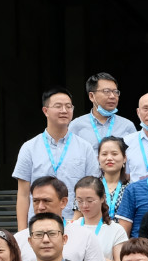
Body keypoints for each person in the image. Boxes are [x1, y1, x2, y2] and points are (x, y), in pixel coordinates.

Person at [13, 87, 93, 233]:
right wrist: (22, 232)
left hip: (75, 225)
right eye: (58, 106)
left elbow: (91, 189)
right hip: (38, 226)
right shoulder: (29, 148)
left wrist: (76, 223)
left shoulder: (85, 148)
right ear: (45, 111)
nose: (64, 110)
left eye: (68, 106)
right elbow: (23, 194)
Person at [16, 178, 110, 261]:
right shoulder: (19, 239)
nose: (40, 207)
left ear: (63, 202)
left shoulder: (85, 236)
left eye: (46, 201)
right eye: (36, 201)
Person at [74, 175, 128, 261]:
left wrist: (94, 258)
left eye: (90, 201)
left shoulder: (115, 230)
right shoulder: (72, 228)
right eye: (80, 201)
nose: (84, 205)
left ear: (102, 198)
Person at [68, 72, 135, 147]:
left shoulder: (127, 126)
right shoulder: (76, 125)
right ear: (91, 96)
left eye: (115, 92)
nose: (112, 96)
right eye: (106, 91)